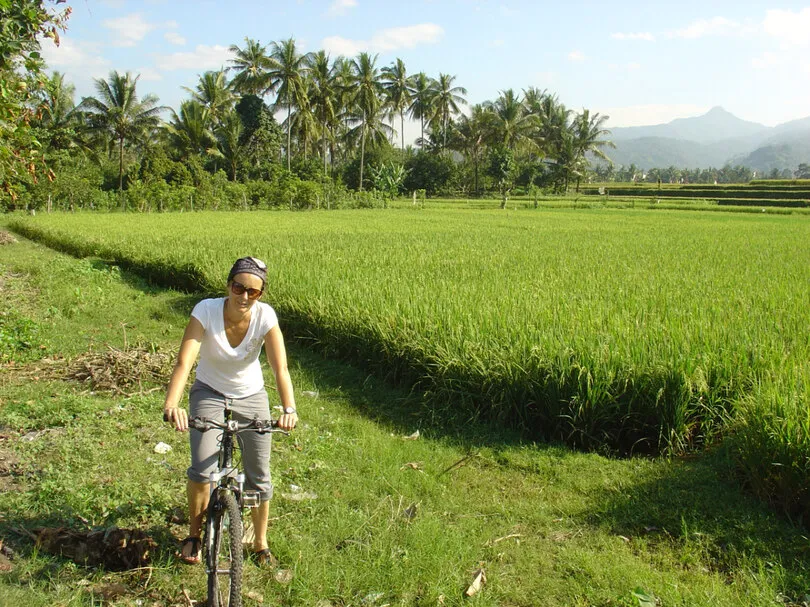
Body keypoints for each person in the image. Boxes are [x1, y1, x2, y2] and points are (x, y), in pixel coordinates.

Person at [162, 256, 297, 565]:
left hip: (251, 395)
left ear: (261, 294)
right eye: (239, 287)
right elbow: (185, 362)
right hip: (209, 391)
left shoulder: (265, 317)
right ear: (229, 285)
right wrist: (172, 404)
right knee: (201, 470)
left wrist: (289, 407)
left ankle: (260, 543)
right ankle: (195, 535)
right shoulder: (206, 311)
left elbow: (281, 369)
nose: (245, 297)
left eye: (254, 291)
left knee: (259, 474)